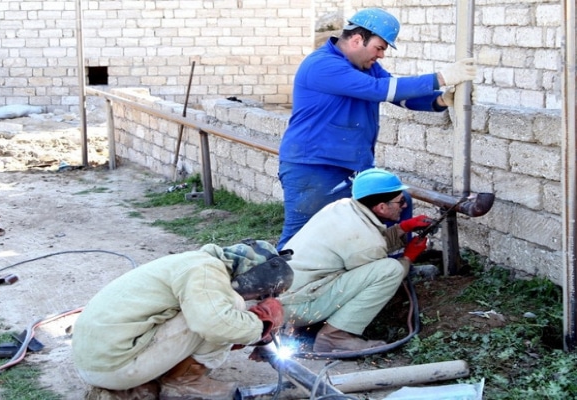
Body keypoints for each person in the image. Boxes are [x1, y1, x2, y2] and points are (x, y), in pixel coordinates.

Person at [277, 7, 477, 249]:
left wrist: (439, 100)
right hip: (314, 166)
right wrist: (440, 78)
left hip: (353, 166)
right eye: (380, 47)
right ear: (357, 40)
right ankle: (278, 285)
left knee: (398, 203)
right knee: (301, 236)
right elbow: (379, 90)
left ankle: (395, 269)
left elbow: (397, 95)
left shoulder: (365, 66)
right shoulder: (323, 65)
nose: (381, 55)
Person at [71, 239, 293, 400]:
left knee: (217, 310)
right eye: (259, 296)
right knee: (231, 306)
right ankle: (183, 384)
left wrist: (253, 333)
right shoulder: (206, 270)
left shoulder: (193, 263)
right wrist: (261, 325)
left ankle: (143, 382)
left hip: (98, 361)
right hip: (113, 366)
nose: (257, 301)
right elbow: (215, 325)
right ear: (251, 277)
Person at [278, 168, 432, 352]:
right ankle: (334, 337)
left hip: (282, 298)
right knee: (391, 269)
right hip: (300, 308)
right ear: (381, 207)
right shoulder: (367, 243)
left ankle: (295, 327)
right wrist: (408, 257)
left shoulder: (341, 207)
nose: (405, 206)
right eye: (401, 201)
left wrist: (404, 227)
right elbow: (373, 261)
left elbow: (364, 243)